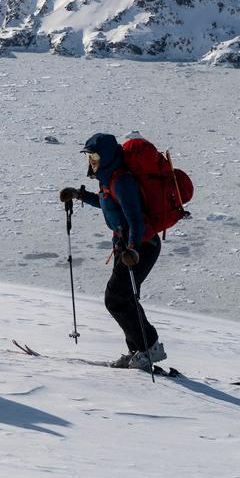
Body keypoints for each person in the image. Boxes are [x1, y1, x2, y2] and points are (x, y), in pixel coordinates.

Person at [60, 132, 165, 371]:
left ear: (107, 156)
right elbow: (107, 201)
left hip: (141, 247)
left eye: (95, 155)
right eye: (89, 156)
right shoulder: (108, 179)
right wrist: (79, 195)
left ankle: (149, 347)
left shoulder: (122, 180)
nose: (91, 160)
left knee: (115, 299)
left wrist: (133, 248)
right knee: (126, 298)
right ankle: (138, 351)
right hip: (126, 246)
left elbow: (136, 219)